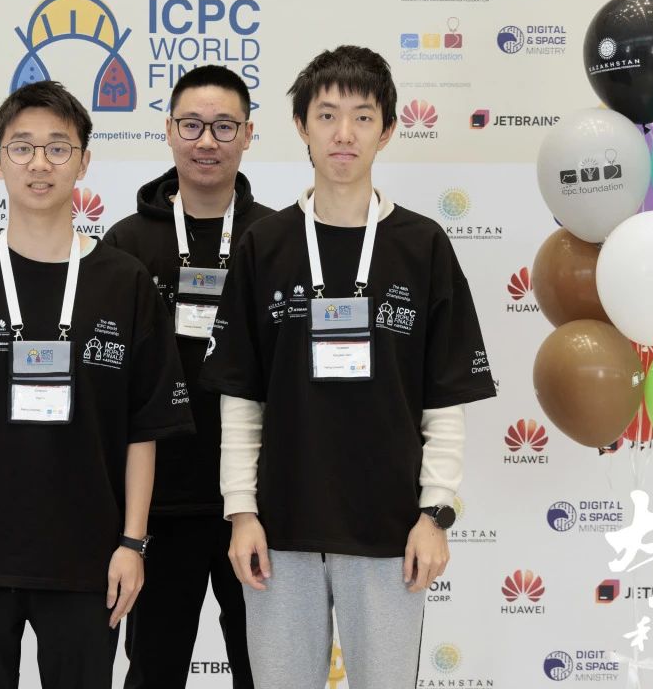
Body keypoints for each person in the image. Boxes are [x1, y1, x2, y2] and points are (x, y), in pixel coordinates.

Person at [0, 80, 194, 688]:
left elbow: (143, 430)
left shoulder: (124, 282)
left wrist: (132, 543)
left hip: (88, 560)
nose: (40, 163)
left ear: (84, 161)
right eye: (21, 148)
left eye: (58, 147)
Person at [200, 46, 497, 687]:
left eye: (362, 117)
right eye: (327, 115)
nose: (344, 133)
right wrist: (242, 512)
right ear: (301, 126)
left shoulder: (422, 246)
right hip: (281, 531)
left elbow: (442, 400)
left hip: (391, 532)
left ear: (386, 130)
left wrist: (434, 515)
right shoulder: (264, 245)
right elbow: (241, 398)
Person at [104, 65, 270, 689]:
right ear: (169, 130)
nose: (207, 141)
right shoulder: (124, 244)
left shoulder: (276, 238)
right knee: (153, 670)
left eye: (224, 126)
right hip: (157, 506)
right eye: (192, 125)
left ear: (248, 134)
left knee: (265, 670)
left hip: (256, 505)